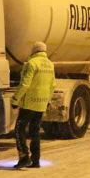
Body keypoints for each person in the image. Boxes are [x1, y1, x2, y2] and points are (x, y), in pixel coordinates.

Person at [11, 41, 56, 169]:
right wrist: (47, 101)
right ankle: (36, 161)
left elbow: (25, 84)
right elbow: (52, 86)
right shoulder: (50, 65)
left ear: (34, 51)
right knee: (35, 131)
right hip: (41, 104)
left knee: (19, 129)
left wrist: (15, 100)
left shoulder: (31, 63)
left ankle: (24, 157)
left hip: (29, 103)